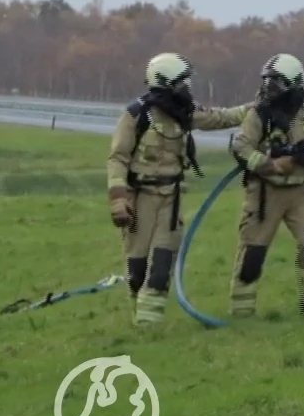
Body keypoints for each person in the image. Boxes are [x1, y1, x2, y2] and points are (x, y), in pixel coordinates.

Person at [107, 52, 252, 327]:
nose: (186, 89)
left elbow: (222, 118)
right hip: (140, 200)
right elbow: (118, 158)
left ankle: (148, 328)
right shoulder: (136, 115)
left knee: (162, 265)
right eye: (181, 83)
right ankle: (138, 312)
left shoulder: (185, 112)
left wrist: (255, 107)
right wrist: (118, 197)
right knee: (136, 268)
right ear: (163, 82)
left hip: (170, 201)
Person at [227, 53, 304, 316]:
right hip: (265, 194)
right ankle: (241, 312)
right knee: (252, 255)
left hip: (300, 193)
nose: (268, 88)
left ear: (294, 82)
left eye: (275, 82)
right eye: (266, 82)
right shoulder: (259, 112)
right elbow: (241, 146)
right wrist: (270, 165)